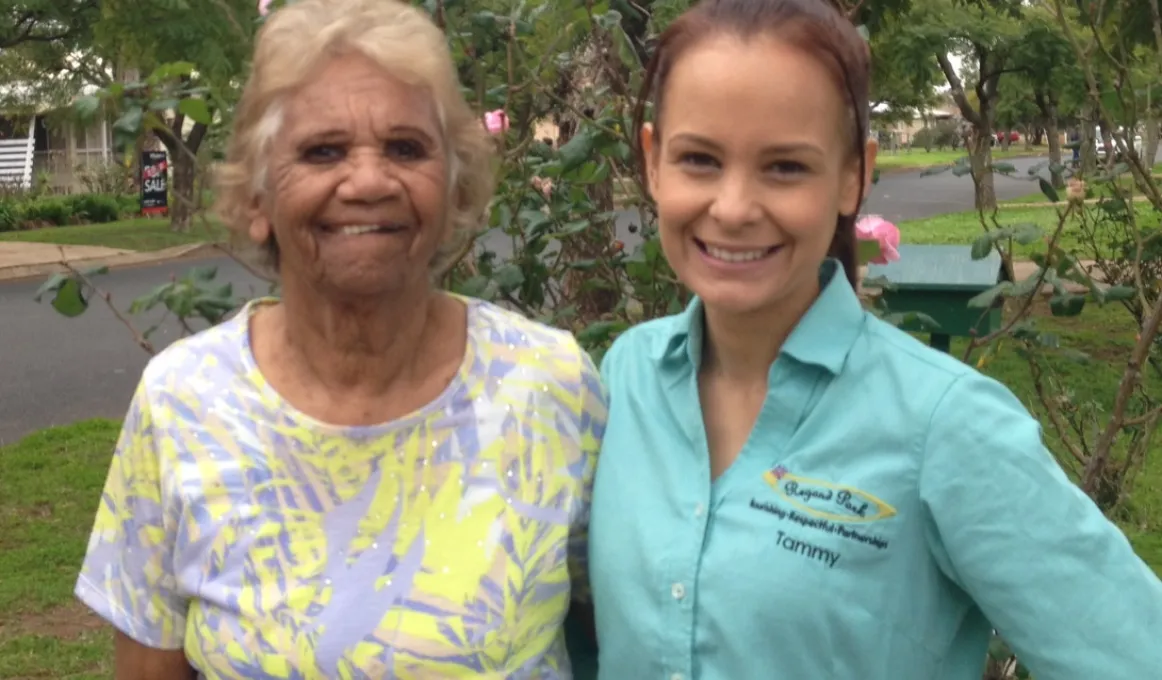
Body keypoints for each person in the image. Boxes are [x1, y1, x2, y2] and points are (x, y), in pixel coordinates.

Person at [587, 1, 1162, 679]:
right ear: (654, 163)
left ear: (854, 176)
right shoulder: (627, 378)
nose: (735, 207)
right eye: (700, 159)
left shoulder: (947, 426)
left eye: (785, 168)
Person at [74, 0, 605, 677]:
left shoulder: (552, 386)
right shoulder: (183, 402)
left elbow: (628, 637)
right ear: (260, 198)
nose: (369, 181)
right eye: (323, 151)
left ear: (453, 188)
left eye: (406, 148)